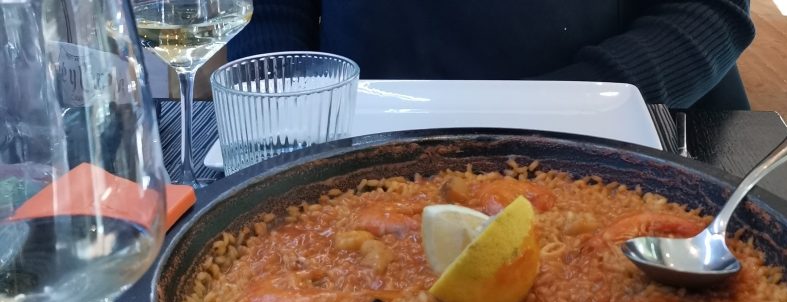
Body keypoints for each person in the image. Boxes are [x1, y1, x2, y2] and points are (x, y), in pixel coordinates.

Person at [228, 0, 755, 110]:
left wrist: (573, 103)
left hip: (624, 126)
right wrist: (285, 105)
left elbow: (707, 11)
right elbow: (269, 11)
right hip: (360, 131)